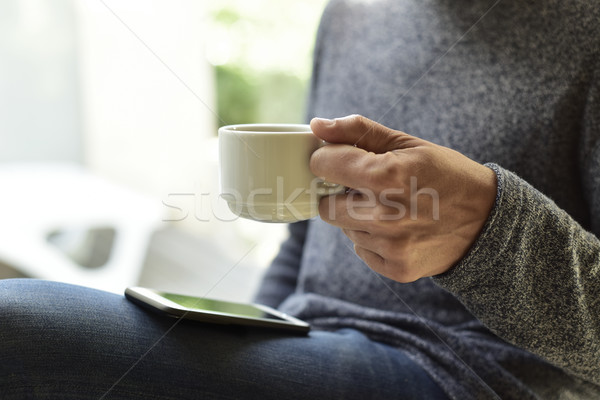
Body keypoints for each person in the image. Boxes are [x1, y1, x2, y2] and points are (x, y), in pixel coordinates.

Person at [1, 0, 599, 398]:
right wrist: (246, 329)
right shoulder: (352, 14)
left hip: (472, 377)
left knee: (17, 327)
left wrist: (492, 231)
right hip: (310, 338)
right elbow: (304, 234)